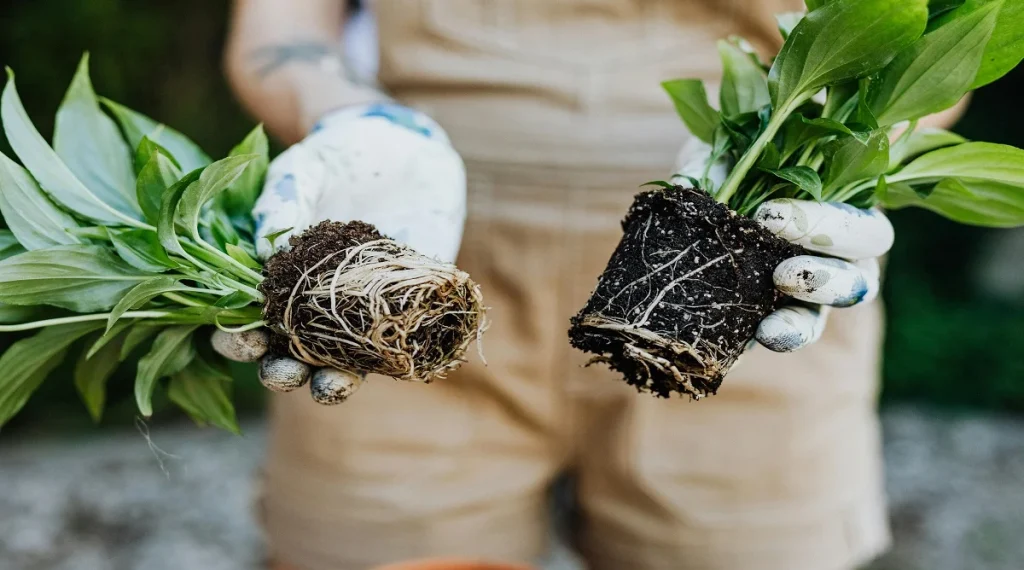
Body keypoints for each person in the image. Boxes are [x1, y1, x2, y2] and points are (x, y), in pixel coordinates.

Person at [217, 1, 967, 569]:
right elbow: (283, 31)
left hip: (734, 278)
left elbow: (927, 57)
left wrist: (835, 170)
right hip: (416, 261)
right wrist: (347, 120)